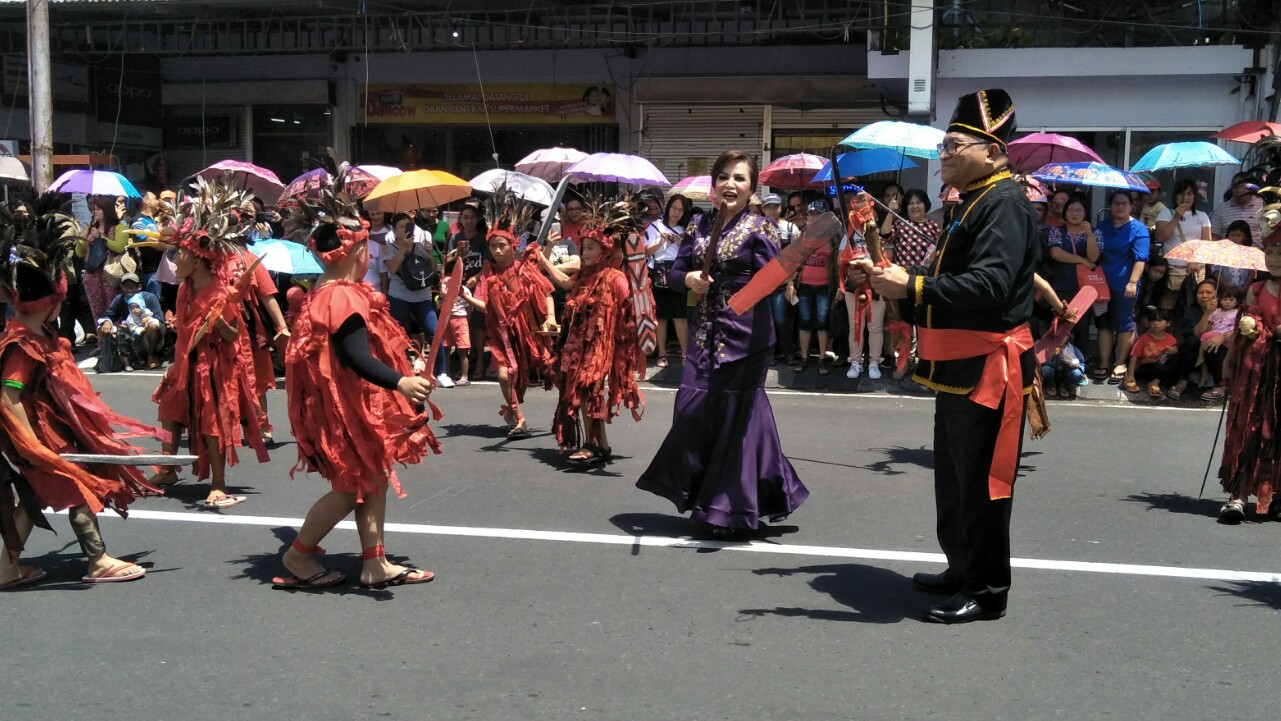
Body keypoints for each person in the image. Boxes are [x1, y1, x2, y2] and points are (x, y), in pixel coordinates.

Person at [857, 89, 1038, 623]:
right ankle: (962, 568)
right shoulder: (974, 200)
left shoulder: (1003, 202)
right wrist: (891, 282)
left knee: (983, 484)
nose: (945, 154)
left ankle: (986, 590)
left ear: (994, 150)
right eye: (944, 145)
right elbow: (944, 282)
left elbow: (988, 286)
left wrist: (910, 287)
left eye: (955, 145)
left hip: (987, 369)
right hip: (958, 369)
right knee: (955, 480)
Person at [276, 178, 439, 590]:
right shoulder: (343, 296)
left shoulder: (325, 290)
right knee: (351, 488)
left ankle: (375, 562)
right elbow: (355, 356)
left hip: (345, 406)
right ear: (357, 251)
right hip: (345, 409)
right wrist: (401, 381)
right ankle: (298, 553)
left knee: (373, 480)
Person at [637, 149, 809, 538]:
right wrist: (692, 278)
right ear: (714, 185)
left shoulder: (761, 229)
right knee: (693, 410)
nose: (731, 184)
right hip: (703, 334)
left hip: (746, 337)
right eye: (724, 177)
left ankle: (727, 509)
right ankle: (766, 491)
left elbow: (774, 279)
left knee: (737, 420)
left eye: (740, 178)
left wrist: (756, 286)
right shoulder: (698, 226)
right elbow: (676, 271)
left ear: (752, 188)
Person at [0, 203, 161, 588]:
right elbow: (8, 397)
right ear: (54, 299)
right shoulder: (23, 345)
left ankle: (6, 569)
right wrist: (33, 445)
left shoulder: (42, 335)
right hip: (37, 435)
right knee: (79, 484)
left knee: (35, 497)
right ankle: (98, 558)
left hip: (49, 429)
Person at [148, 182, 270, 508]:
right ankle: (168, 467)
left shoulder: (220, 292)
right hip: (185, 360)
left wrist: (221, 325)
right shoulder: (185, 288)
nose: (175, 260)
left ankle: (218, 482)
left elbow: (233, 336)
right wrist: (175, 363)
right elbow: (185, 333)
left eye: (181, 254)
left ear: (199, 260)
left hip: (215, 367)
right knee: (170, 410)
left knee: (212, 423)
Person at [551, 197, 646, 464]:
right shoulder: (583, 276)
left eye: (590, 248)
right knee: (582, 392)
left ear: (604, 251)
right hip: (580, 347)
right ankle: (600, 444)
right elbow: (565, 286)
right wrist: (542, 260)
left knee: (589, 390)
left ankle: (592, 444)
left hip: (603, 348)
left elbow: (633, 307)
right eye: (584, 247)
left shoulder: (615, 278)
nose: (585, 252)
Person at [472, 195, 559, 438]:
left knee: (554, 372)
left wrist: (550, 317)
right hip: (503, 337)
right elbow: (484, 305)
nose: (497, 250)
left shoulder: (525, 268)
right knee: (503, 375)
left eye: (502, 245)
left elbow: (548, 292)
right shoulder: (488, 276)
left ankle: (567, 413)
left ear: (514, 245)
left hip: (531, 334)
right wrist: (463, 296)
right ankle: (518, 416)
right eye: (493, 246)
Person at [1218, 227, 1281, 522]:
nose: (1275, 258)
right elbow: (1239, 330)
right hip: (1255, 373)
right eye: (1269, 252)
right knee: (1247, 429)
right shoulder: (1255, 288)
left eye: (1280, 252)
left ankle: (1277, 496)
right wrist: (1230, 357)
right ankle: (1238, 497)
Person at [382, 212, 451, 387]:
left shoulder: (421, 245)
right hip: (399, 296)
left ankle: (441, 372)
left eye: (409, 225)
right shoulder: (388, 247)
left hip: (422, 296)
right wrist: (404, 248)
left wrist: (429, 254)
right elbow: (391, 269)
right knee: (400, 335)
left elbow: (432, 270)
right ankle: (403, 370)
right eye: (401, 227)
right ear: (394, 230)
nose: (405, 229)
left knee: (434, 333)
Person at [1093, 189, 1150, 384]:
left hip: (1125, 285)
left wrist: (1133, 282)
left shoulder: (1139, 229)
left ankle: (1119, 362)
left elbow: (1141, 259)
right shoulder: (1102, 226)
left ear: (1131, 206)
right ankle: (1103, 363)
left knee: (1125, 324)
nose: (1120, 207)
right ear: (1110, 206)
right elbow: (1094, 253)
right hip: (1100, 285)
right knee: (1104, 324)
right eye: (1116, 203)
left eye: (1124, 203)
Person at [1044, 195, 1099, 352]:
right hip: (1061, 284)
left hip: (1084, 288)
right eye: (1071, 210)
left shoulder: (1095, 232)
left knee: (1082, 327)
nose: (1075, 213)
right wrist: (1081, 260)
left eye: (1079, 210)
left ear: (1085, 212)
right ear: (1065, 212)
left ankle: (1082, 363)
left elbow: (1094, 257)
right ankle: (1055, 360)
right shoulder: (1056, 231)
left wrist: (1089, 235)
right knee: (1059, 326)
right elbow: (1056, 253)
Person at [788, 200, 836, 374]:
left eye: (818, 215)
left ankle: (823, 358)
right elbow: (793, 262)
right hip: (805, 284)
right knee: (805, 320)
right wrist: (791, 283)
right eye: (812, 214)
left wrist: (839, 287)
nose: (814, 218)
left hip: (824, 285)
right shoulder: (801, 235)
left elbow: (838, 264)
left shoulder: (833, 236)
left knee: (823, 321)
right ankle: (805, 357)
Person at [644, 191, 687, 368]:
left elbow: (689, 254)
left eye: (681, 210)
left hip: (678, 270)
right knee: (661, 317)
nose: (676, 212)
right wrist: (660, 242)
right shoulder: (654, 227)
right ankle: (662, 353)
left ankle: (685, 354)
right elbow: (645, 252)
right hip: (659, 270)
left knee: (680, 316)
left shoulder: (686, 229)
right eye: (674, 208)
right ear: (668, 208)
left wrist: (679, 243)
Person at [447, 204, 490, 379]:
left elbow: (488, 264)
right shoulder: (456, 238)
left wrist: (478, 277)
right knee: (460, 323)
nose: (469, 220)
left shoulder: (483, 239)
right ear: (461, 220)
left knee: (477, 325)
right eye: (465, 217)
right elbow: (448, 261)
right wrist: (457, 254)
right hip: (460, 284)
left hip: (478, 284)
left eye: (472, 217)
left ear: (477, 219)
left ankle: (480, 361)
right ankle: (463, 363)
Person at [96, 272, 164, 370]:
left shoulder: (150, 298)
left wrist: (142, 325)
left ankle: (151, 355)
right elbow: (109, 315)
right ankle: (114, 358)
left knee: (153, 327)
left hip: (148, 335)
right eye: (126, 286)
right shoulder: (119, 299)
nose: (129, 289)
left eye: (133, 286)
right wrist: (107, 322)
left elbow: (160, 321)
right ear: (122, 287)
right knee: (102, 328)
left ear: (139, 287)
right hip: (130, 336)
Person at [761, 193, 799, 364]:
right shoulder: (757, 229)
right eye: (768, 206)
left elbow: (797, 258)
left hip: (784, 282)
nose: (771, 210)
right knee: (766, 321)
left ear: (780, 207)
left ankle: (788, 352)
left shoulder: (791, 229)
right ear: (762, 209)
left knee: (782, 319)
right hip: (763, 283)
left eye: (775, 206)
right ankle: (770, 354)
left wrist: (791, 282)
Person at [1154, 178, 1211, 292]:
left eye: (1189, 193)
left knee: (1193, 302)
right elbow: (1160, 237)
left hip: (1195, 268)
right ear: (1175, 196)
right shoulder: (1166, 213)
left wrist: (1194, 259)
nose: (1185, 198)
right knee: (1170, 302)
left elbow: (1207, 244)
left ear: (1195, 196)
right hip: (1172, 267)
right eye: (1181, 193)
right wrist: (1177, 217)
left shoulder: (1202, 215)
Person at [1122, 308, 1178, 397]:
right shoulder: (1144, 338)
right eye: (1153, 321)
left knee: (1175, 357)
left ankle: (1155, 382)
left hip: (1162, 369)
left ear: (1168, 323)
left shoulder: (1172, 340)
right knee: (1158, 367)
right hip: (1146, 369)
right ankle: (1155, 382)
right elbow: (1134, 356)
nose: (1156, 323)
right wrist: (1130, 375)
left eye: (1160, 321)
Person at [1211, 172, 1264, 243]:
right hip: (1229, 252)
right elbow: (1214, 236)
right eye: (1236, 187)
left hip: (1257, 252)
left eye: (1243, 187)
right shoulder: (1221, 210)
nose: (1239, 190)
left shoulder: (1263, 206)